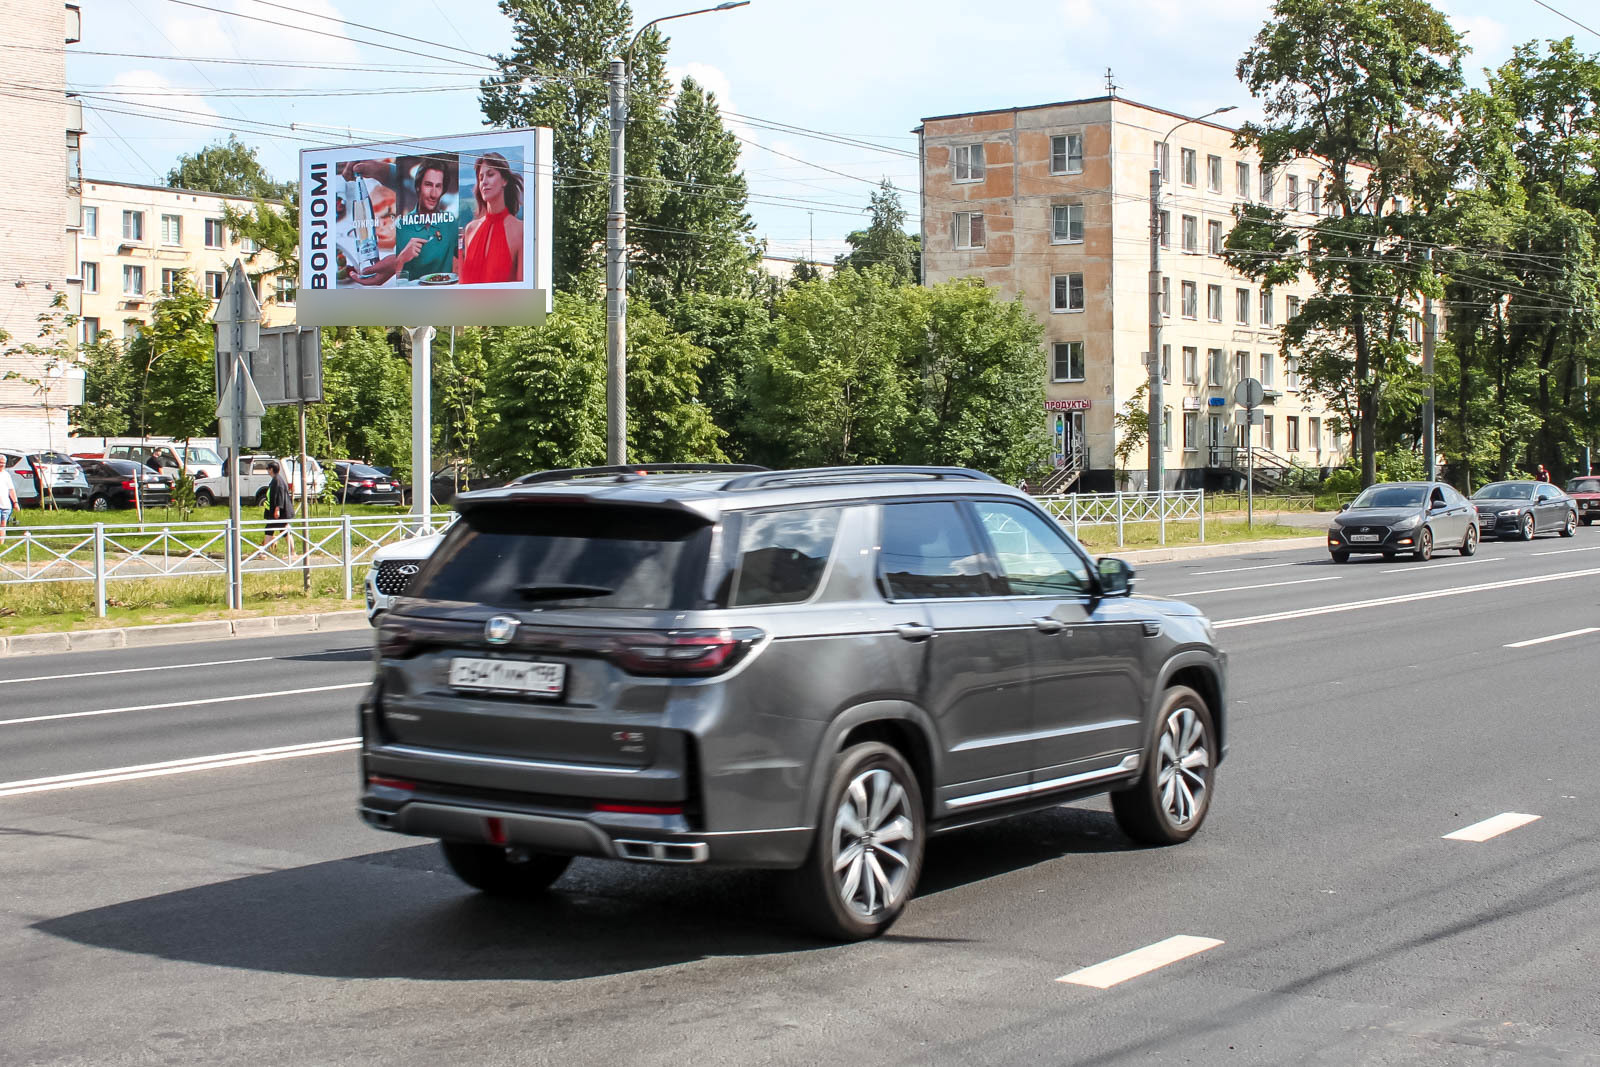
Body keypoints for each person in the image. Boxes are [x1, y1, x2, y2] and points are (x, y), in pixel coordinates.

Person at [344, 157, 459, 287]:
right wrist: (381, 170)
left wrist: (397, 261)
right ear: (418, 186)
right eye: (428, 185)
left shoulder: (452, 224)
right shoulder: (402, 227)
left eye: (438, 186)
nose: (433, 194)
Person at [458, 152, 524, 284]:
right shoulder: (470, 229)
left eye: (490, 174)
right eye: (481, 177)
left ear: (504, 180)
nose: (484, 182)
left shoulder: (521, 230)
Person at [263, 460, 295, 555]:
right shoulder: (277, 479)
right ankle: (292, 552)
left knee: (272, 529)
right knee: (279, 530)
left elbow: (279, 496)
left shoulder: (277, 481)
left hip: (279, 512)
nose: (267, 471)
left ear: (271, 469)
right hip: (277, 511)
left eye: (268, 469)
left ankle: (263, 552)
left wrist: (277, 509)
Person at [0, 457, 17, 542]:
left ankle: (1, 544)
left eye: (3, 463)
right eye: (0, 462)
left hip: (5, 505)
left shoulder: (6, 475)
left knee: (3, 525)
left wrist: (15, 502)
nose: (1, 464)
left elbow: (11, 489)